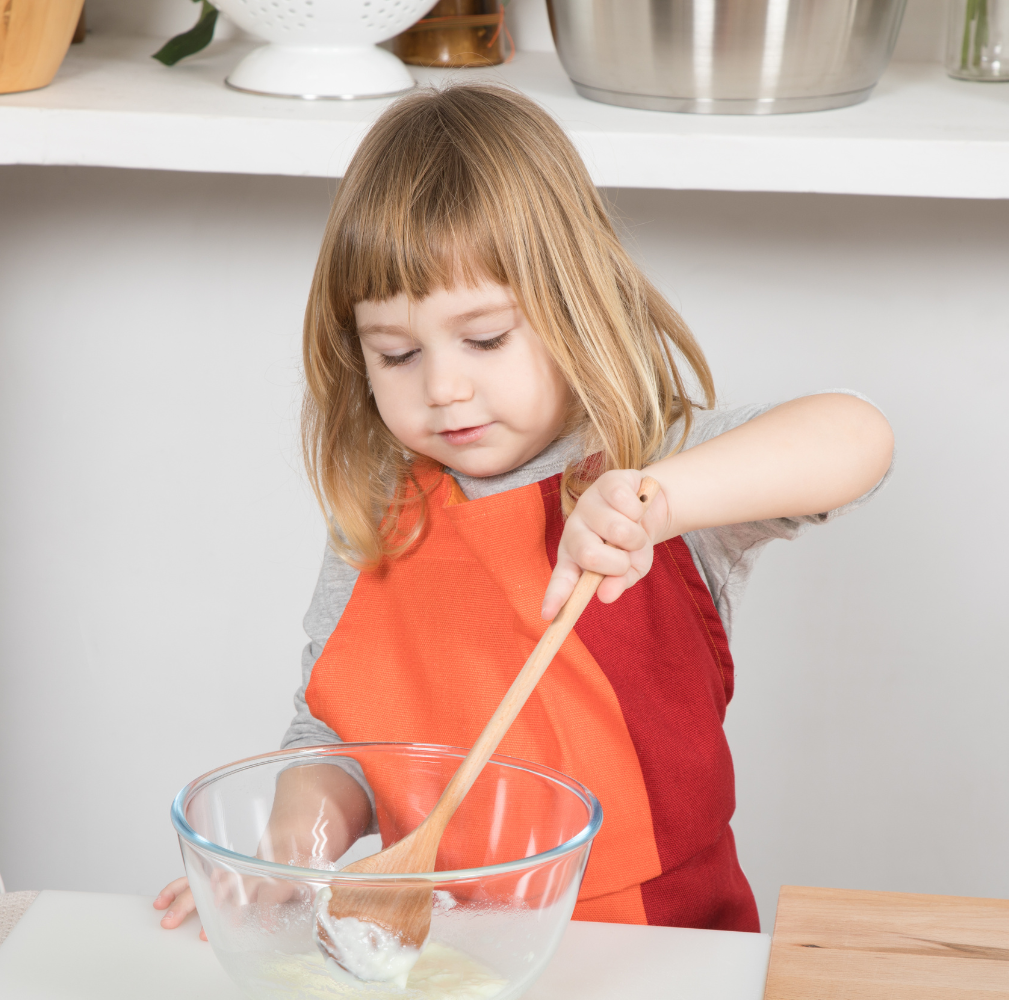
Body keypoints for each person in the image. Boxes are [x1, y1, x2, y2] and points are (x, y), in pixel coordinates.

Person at [155, 83, 893, 936]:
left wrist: (657, 501)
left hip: (664, 947)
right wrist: (291, 849)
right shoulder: (378, 511)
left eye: (486, 339)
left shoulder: (654, 462)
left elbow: (857, 438)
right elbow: (338, 738)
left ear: (575, 304)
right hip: (450, 946)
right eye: (396, 354)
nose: (444, 386)